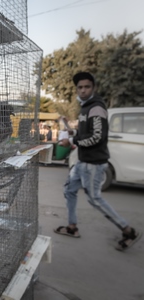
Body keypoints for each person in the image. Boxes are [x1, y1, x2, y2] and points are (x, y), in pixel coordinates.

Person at [56, 71, 140, 251]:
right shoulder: (85, 108)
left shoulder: (96, 108)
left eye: (87, 87)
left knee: (94, 198)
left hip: (93, 163)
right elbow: (83, 134)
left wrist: (71, 141)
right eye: (80, 87)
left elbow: (97, 137)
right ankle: (72, 227)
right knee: (69, 190)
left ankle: (128, 230)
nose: (83, 90)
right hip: (82, 161)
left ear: (94, 88)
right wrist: (68, 129)